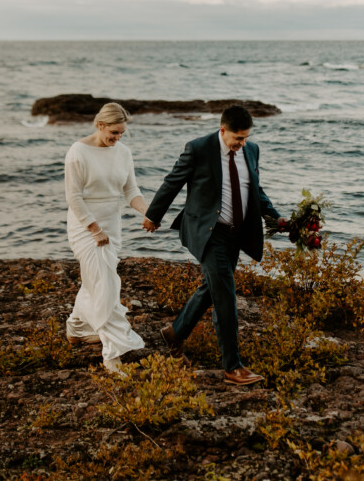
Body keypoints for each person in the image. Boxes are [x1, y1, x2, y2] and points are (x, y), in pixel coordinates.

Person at [142, 105, 283, 386]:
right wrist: (152, 215)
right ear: (222, 130)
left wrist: (276, 217)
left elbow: (255, 189)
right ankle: (232, 367)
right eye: (237, 138)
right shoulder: (198, 149)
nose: (241, 143)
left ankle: (174, 334)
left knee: (213, 288)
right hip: (207, 232)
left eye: (245, 138)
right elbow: (173, 182)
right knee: (226, 296)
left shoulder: (252, 150)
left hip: (236, 233)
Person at [64, 103, 148, 372]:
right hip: (86, 228)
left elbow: (131, 190)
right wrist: (94, 229)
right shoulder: (78, 152)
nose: (117, 138)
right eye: (113, 133)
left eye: (122, 133)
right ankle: (112, 355)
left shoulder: (122, 152)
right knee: (106, 285)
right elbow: (73, 197)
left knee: (97, 280)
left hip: (112, 227)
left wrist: (150, 213)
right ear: (99, 125)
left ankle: (76, 328)